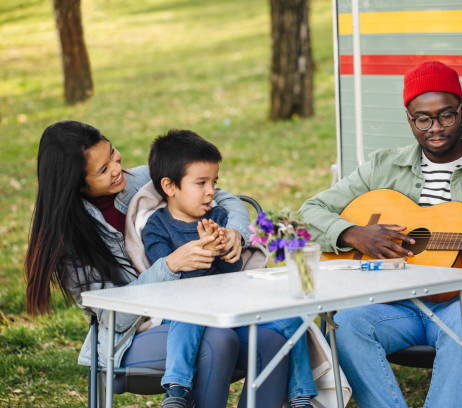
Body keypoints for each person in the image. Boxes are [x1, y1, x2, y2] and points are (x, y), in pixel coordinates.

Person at [299, 61, 462, 407]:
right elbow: (309, 212)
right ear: (409, 118)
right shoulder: (382, 166)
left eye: (445, 116)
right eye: (423, 119)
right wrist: (353, 234)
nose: (435, 128)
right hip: (391, 304)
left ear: (461, 110)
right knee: (345, 326)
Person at [24, 120, 289, 408]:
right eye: (103, 170)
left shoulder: (140, 180)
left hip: (200, 312)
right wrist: (170, 266)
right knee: (217, 340)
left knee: (273, 340)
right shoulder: (70, 241)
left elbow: (227, 198)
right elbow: (116, 315)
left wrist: (235, 232)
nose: (116, 169)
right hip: (132, 337)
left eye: (113, 154)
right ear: (76, 183)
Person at [142, 130, 317, 408]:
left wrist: (223, 249)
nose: (211, 191)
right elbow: (169, 282)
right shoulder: (156, 227)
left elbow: (232, 269)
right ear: (169, 186)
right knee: (187, 318)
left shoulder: (220, 216)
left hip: (231, 307)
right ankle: (177, 389)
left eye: (214, 182)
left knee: (293, 320)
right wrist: (202, 253)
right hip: (187, 310)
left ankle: (301, 394)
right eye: (201, 183)